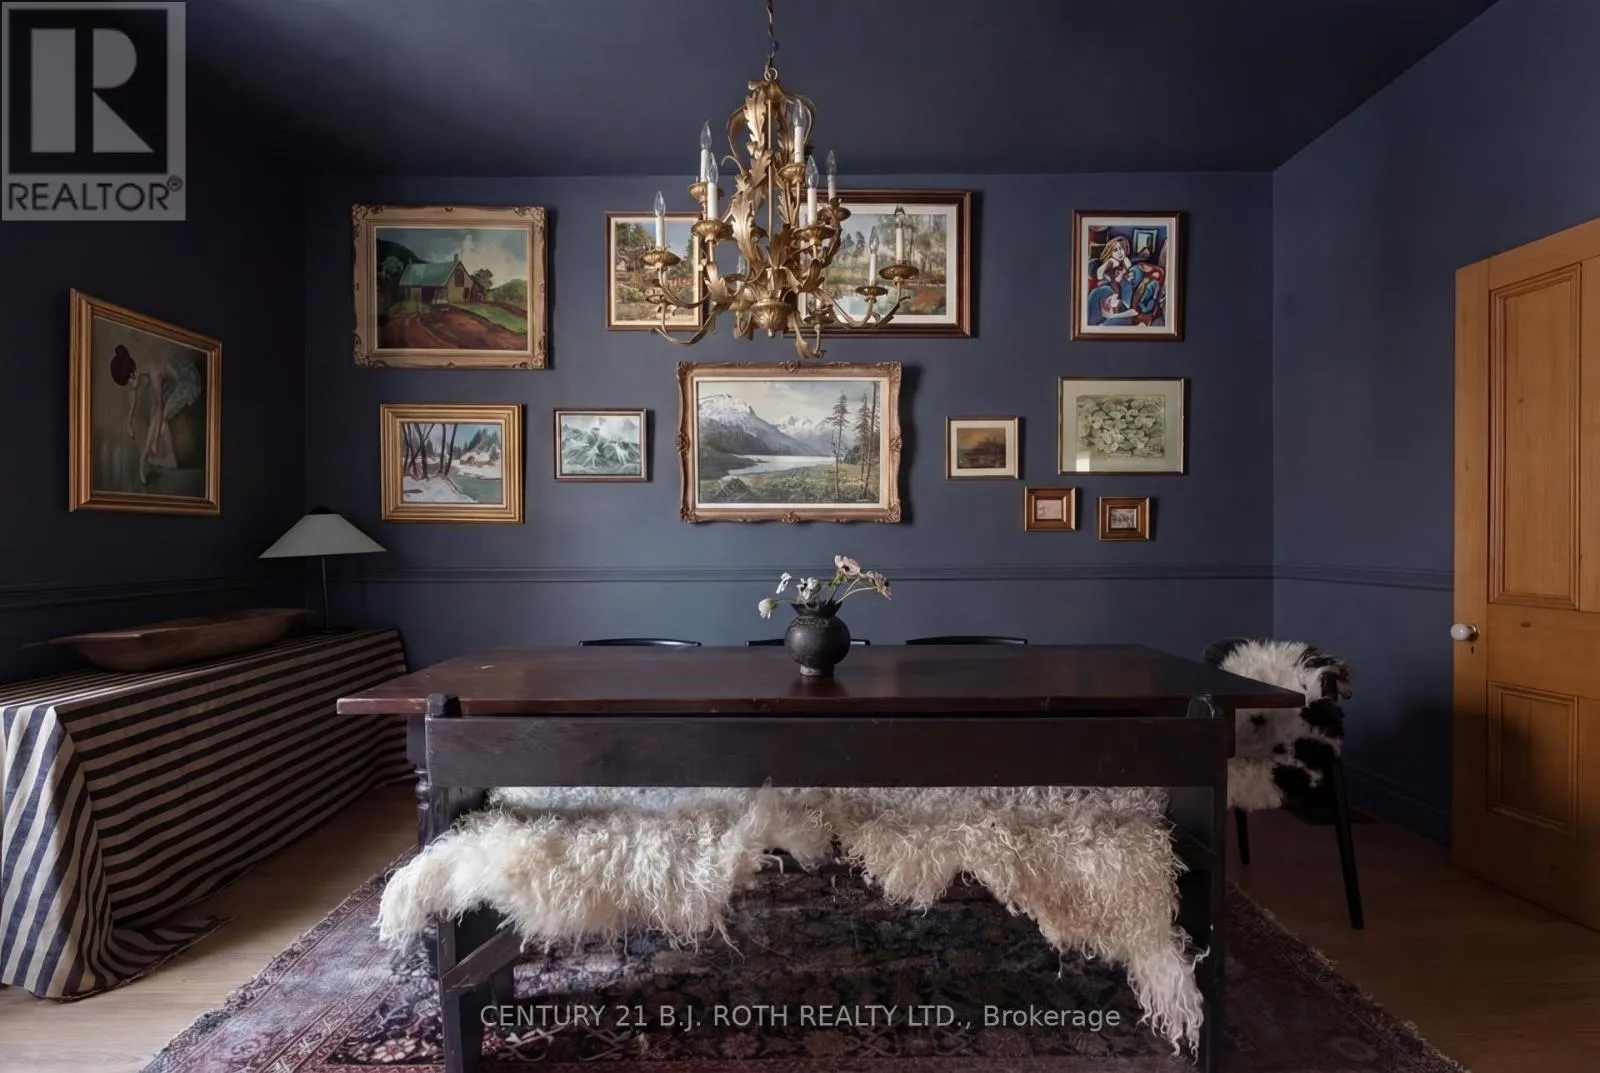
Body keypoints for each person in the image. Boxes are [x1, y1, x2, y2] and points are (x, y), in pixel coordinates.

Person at [109, 343, 203, 486]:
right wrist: (129, 421)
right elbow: (133, 391)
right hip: (171, 383)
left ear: (132, 373)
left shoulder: (153, 371)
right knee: (159, 413)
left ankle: (146, 457)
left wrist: (151, 447)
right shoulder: (137, 369)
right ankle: (170, 458)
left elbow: (160, 409)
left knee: (160, 415)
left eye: (129, 381)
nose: (130, 385)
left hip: (186, 382)